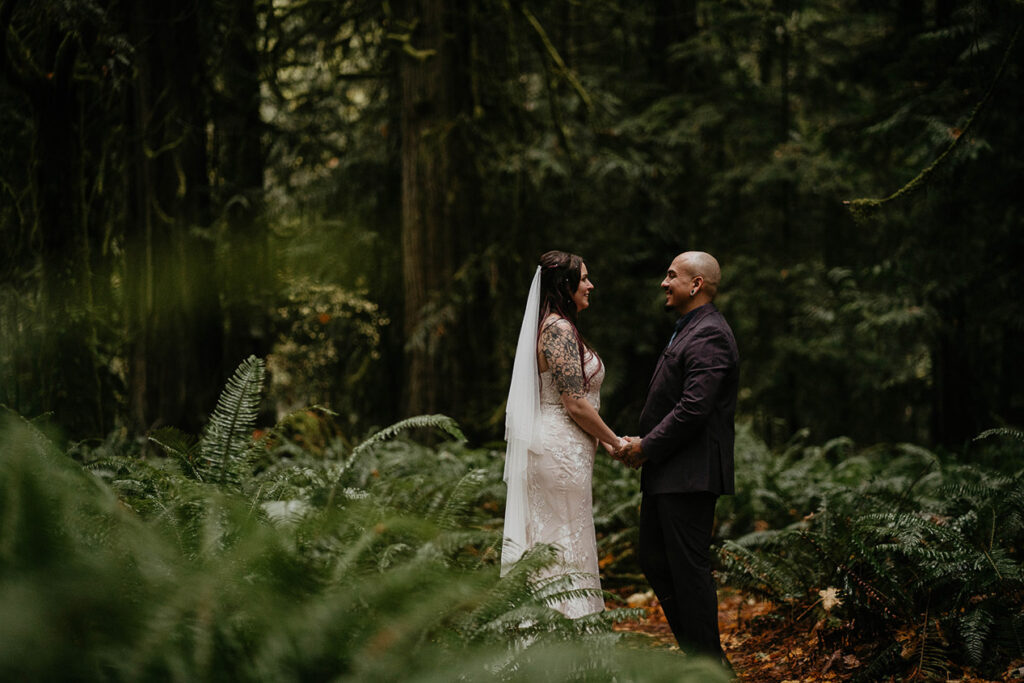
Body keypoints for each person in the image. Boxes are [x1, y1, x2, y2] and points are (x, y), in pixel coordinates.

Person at [615, 251, 739, 660]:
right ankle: (700, 660)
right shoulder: (688, 328)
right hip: (669, 471)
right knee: (654, 559)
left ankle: (710, 667)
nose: (664, 283)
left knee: (689, 572)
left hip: (689, 475)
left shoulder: (710, 333)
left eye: (672, 275)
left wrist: (646, 446)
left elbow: (693, 408)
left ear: (696, 284)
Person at [502, 250, 627, 617]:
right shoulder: (557, 329)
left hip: (565, 445)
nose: (590, 285)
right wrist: (616, 441)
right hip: (557, 449)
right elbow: (574, 402)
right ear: (565, 285)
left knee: (565, 538)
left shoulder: (558, 327)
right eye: (584, 279)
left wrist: (602, 440)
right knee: (562, 542)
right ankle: (566, 635)